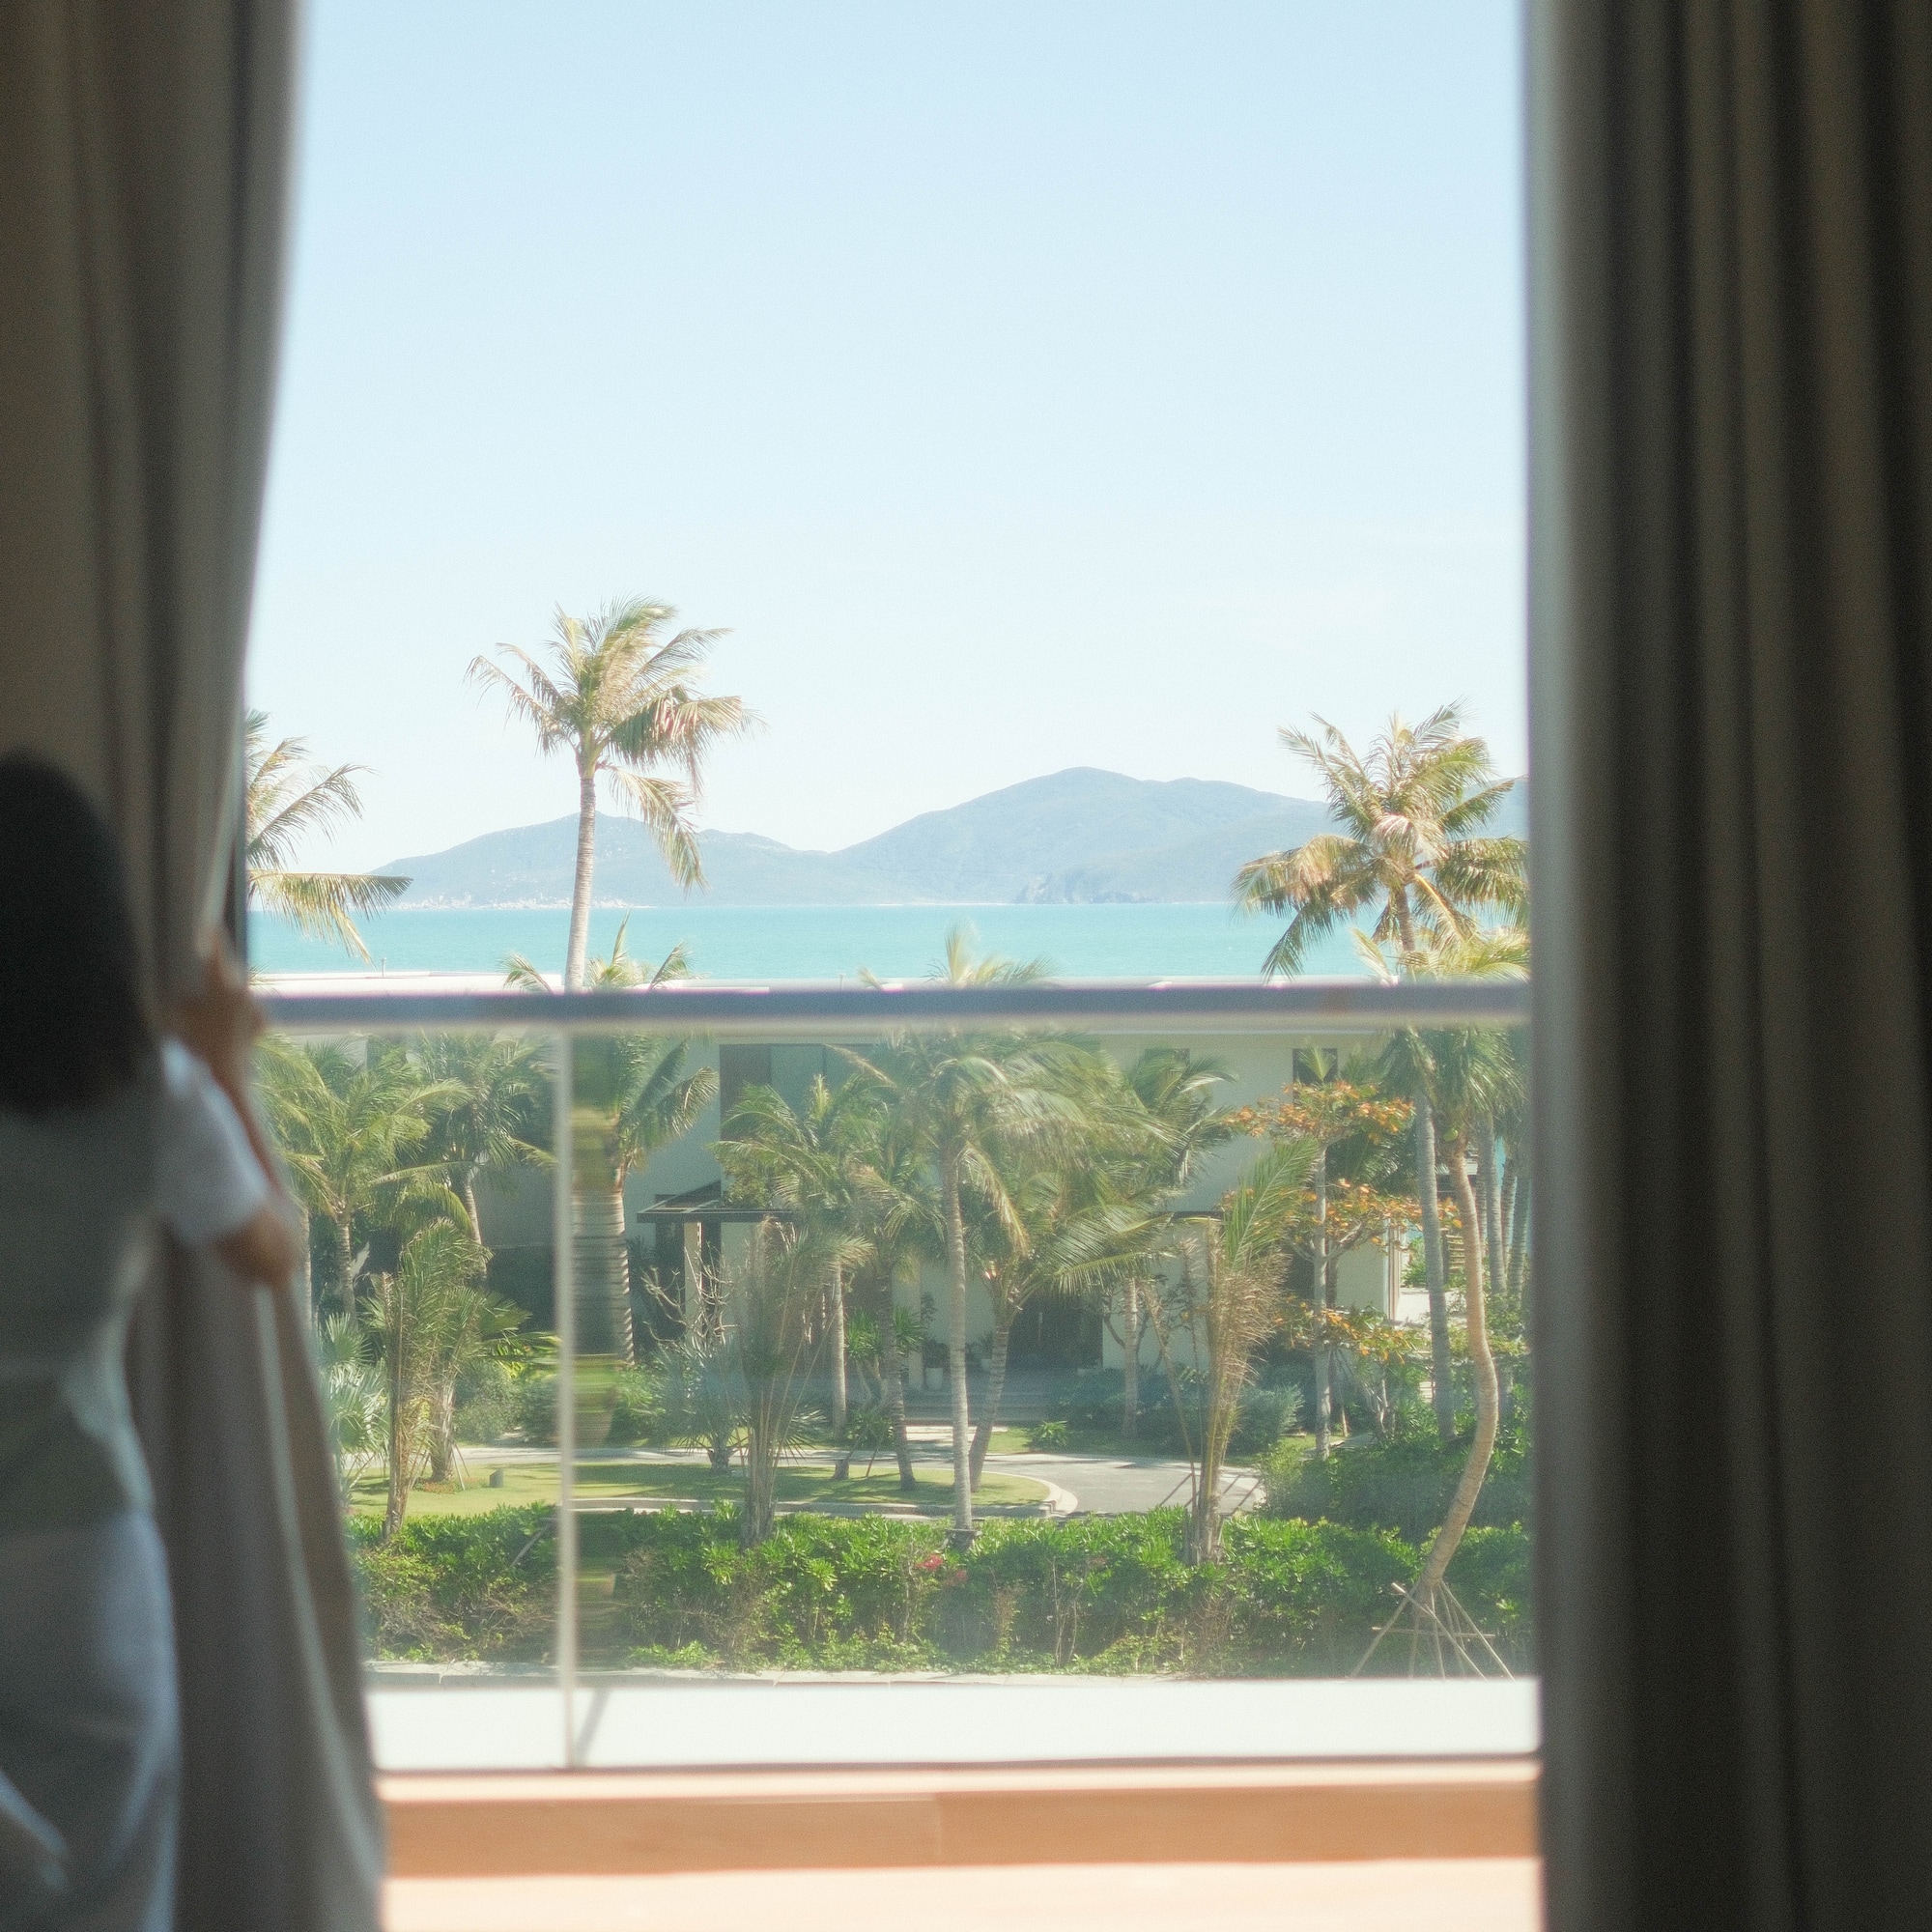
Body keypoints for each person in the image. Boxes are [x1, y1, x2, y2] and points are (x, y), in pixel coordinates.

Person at [0, 755, 297, 1930]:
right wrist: (226, 1057)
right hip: (73, 1542)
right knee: (109, 1873)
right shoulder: (153, 1093)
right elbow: (269, 1253)